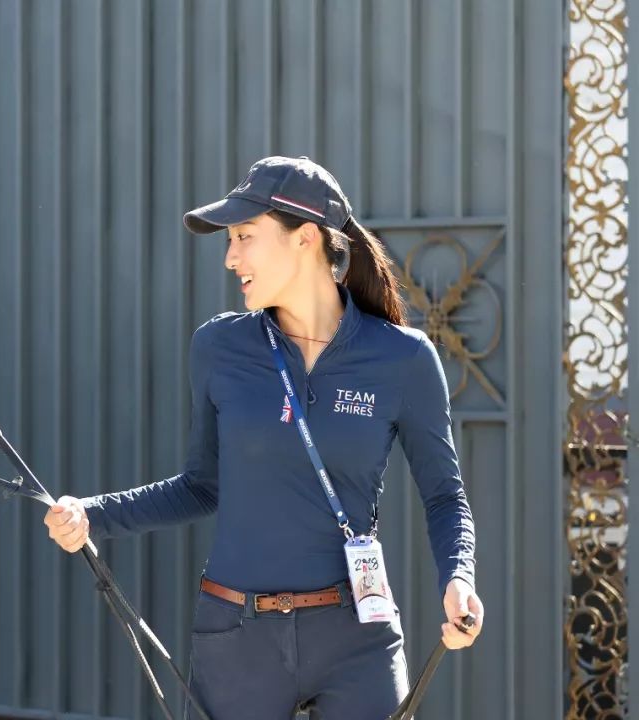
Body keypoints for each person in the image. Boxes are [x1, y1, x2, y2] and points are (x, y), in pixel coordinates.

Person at [44, 156, 483, 719]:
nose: (231, 257)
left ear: (305, 239)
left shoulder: (404, 359)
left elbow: (445, 496)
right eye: (231, 241)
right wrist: (92, 514)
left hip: (357, 636)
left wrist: (458, 578)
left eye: (245, 237)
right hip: (236, 636)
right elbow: (202, 486)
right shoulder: (218, 348)